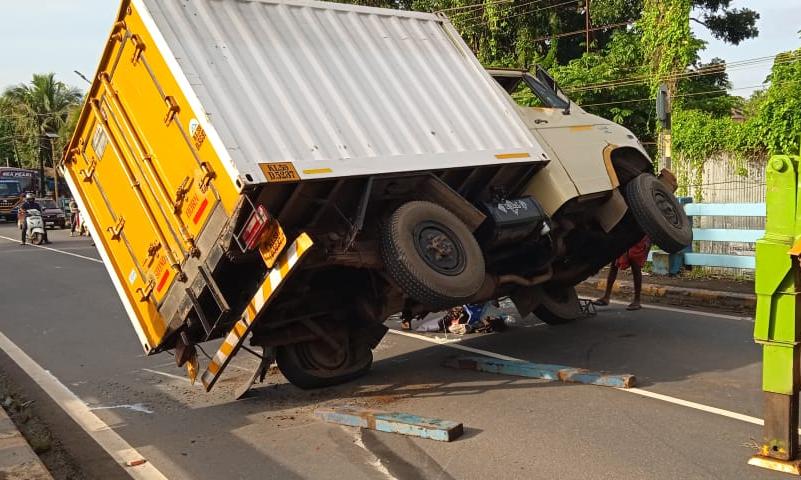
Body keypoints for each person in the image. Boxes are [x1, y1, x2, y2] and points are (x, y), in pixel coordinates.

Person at [593, 169, 679, 311]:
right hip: (629, 227)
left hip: (642, 232)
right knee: (615, 261)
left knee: (634, 264)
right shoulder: (646, 187)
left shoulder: (660, 199)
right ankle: (606, 296)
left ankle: (636, 300)